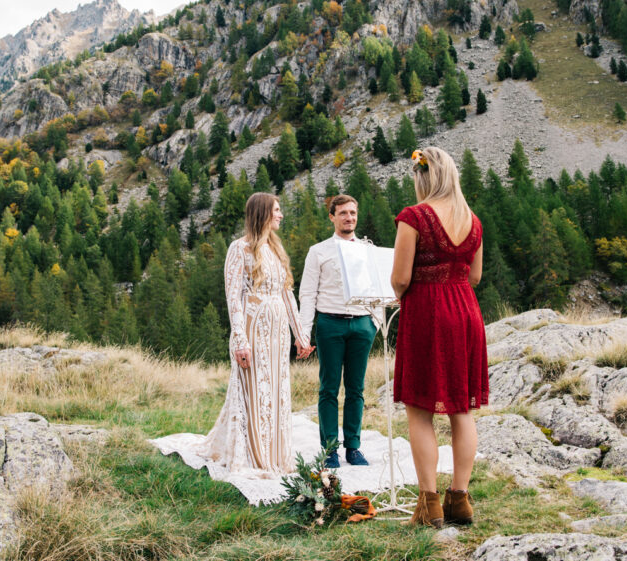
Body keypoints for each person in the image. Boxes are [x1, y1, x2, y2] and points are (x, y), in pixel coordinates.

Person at [390, 147, 487, 528]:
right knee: (462, 410)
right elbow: (475, 276)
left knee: (420, 408)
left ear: (423, 178)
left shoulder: (413, 217)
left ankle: (429, 504)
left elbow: (400, 279)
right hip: (466, 312)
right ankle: (460, 499)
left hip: (428, 314)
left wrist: (409, 289)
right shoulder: (473, 220)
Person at [200, 192, 315, 475]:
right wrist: (240, 340)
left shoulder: (276, 249)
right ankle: (253, 455)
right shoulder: (239, 248)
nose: (281, 214)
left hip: (277, 332)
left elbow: (287, 294)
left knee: (275, 390)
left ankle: (275, 453)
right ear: (262, 212)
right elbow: (233, 296)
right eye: (276, 210)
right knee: (255, 390)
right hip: (253, 329)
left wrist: (300, 335)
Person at [298, 194, 382, 469]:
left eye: (353, 213)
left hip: (361, 324)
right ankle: (330, 450)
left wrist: (375, 322)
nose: (349, 218)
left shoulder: (368, 250)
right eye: (343, 213)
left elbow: (378, 285)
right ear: (332, 217)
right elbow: (307, 293)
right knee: (329, 387)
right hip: (330, 323)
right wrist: (304, 331)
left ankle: (354, 448)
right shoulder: (318, 251)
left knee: (356, 389)